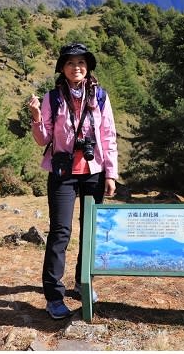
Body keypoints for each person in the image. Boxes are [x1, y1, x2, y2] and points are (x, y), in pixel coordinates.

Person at [27, 42, 118, 319]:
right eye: (70, 63)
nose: (76, 67)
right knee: (60, 233)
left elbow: (108, 136)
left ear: (87, 67)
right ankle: (54, 295)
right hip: (62, 174)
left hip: (94, 171)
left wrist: (111, 173)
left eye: (81, 62)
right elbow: (44, 139)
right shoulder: (52, 98)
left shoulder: (100, 96)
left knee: (89, 230)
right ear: (62, 68)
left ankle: (82, 282)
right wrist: (35, 118)